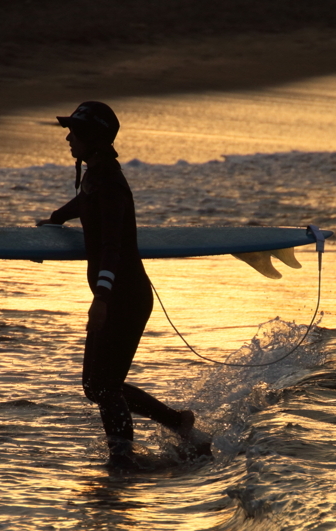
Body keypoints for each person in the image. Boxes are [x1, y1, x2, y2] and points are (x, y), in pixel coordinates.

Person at [37, 101, 208, 467]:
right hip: (114, 296)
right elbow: (84, 202)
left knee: (104, 386)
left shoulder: (112, 185)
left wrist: (101, 298)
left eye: (76, 132)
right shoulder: (96, 175)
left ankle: (122, 461)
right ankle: (179, 423)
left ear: (94, 140)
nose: (68, 137)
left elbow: (113, 248)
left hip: (125, 298)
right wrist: (55, 218)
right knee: (94, 387)